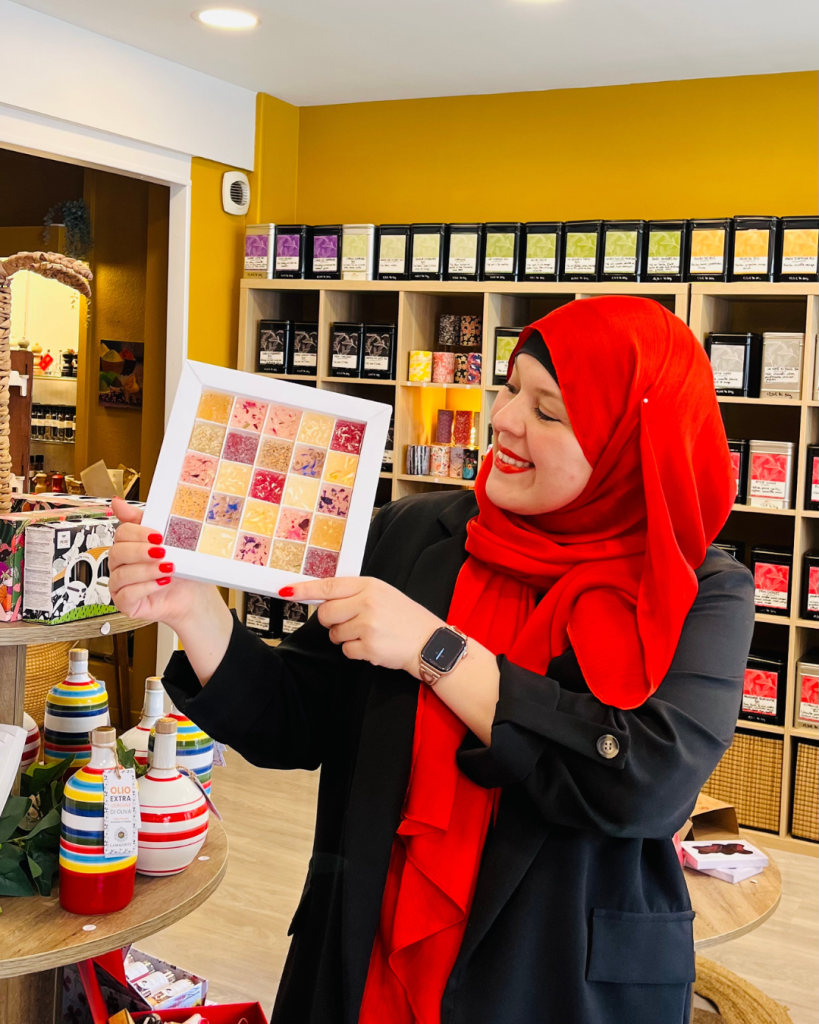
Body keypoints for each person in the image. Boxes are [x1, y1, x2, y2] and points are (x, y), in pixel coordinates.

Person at [109, 296, 754, 1024]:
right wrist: (194, 611)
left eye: (548, 411)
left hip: (557, 982)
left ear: (626, 444)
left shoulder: (698, 590)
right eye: (510, 387)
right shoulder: (414, 533)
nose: (504, 419)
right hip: (366, 957)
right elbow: (296, 721)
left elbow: (646, 785)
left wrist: (434, 650)